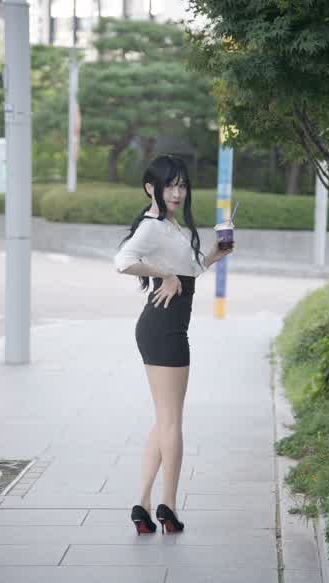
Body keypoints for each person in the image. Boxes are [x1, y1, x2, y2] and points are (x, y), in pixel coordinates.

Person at [114, 154, 235, 535]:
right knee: (172, 422)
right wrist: (164, 274)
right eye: (170, 185)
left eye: (182, 185)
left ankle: (143, 504)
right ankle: (169, 505)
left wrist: (216, 254)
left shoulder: (171, 226)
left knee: (164, 420)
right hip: (164, 329)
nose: (177, 192)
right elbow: (123, 261)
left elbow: (191, 270)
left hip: (162, 328)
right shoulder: (152, 226)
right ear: (151, 187)